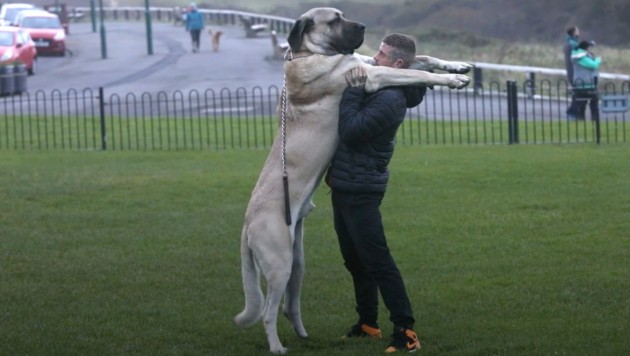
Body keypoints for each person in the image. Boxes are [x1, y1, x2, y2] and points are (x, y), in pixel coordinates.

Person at [325, 33, 425, 353]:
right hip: (344, 185)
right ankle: (368, 324)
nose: (373, 58)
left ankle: (406, 331)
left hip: (361, 189)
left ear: (397, 64)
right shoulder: (381, 86)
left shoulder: (392, 98)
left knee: (378, 261)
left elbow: (352, 132)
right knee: (355, 261)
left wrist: (353, 90)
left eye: (380, 55)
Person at [566, 40, 601, 121]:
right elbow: (593, 65)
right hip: (587, 84)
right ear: (586, 48)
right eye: (589, 47)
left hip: (584, 84)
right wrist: (598, 60)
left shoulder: (581, 56)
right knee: (593, 105)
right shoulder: (582, 58)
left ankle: (581, 120)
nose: (590, 49)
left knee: (582, 104)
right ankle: (594, 121)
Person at [564, 26, 580, 119]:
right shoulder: (573, 44)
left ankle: (572, 111)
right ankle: (572, 112)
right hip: (574, 72)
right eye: (577, 30)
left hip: (571, 71)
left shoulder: (569, 43)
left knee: (576, 93)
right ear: (574, 32)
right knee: (577, 93)